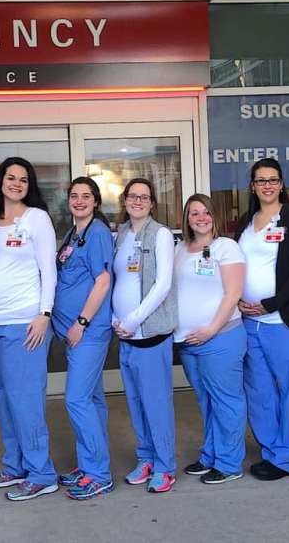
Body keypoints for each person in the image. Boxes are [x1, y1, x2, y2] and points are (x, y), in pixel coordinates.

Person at [0, 156, 58, 501]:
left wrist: (44, 314)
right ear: (0, 181)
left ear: (29, 185)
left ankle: (41, 473)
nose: (17, 183)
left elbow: (48, 270)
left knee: (25, 401)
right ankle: (16, 464)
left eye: (23, 179)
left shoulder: (36, 219)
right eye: (11, 177)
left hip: (22, 325)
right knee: (4, 400)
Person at [237, 157, 289, 481]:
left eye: (273, 179)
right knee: (259, 390)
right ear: (252, 186)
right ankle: (270, 449)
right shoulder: (245, 220)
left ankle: (286, 457)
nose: (267, 185)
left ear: (281, 184)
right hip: (249, 323)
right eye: (260, 180)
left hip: (285, 320)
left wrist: (271, 304)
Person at [175, 194, 247, 484]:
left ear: (214, 216)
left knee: (226, 400)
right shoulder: (180, 248)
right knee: (206, 401)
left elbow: (233, 294)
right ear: (187, 219)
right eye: (195, 213)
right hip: (188, 342)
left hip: (221, 337)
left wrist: (211, 329)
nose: (201, 218)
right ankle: (211, 455)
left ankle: (229, 463)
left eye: (206, 212)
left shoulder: (225, 247)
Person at [112, 177, 178, 493]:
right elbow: (117, 280)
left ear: (152, 203)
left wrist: (134, 319)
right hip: (125, 333)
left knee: (156, 404)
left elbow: (162, 285)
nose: (138, 201)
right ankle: (146, 458)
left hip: (149, 334)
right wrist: (116, 318)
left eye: (145, 197)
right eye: (133, 196)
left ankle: (165, 466)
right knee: (136, 403)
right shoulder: (122, 234)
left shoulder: (161, 234)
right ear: (125, 200)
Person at [53, 177, 115, 499]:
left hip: (87, 332)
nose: (79, 201)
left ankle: (99, 473)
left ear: (96, 201)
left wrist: (80, 322)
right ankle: (88, 462)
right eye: (74, 196)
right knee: (92, 399)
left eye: (85, 196)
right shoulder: (73, 233)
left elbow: (103, 282)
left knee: (75, 399)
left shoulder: (99, 234)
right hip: (72, 333)